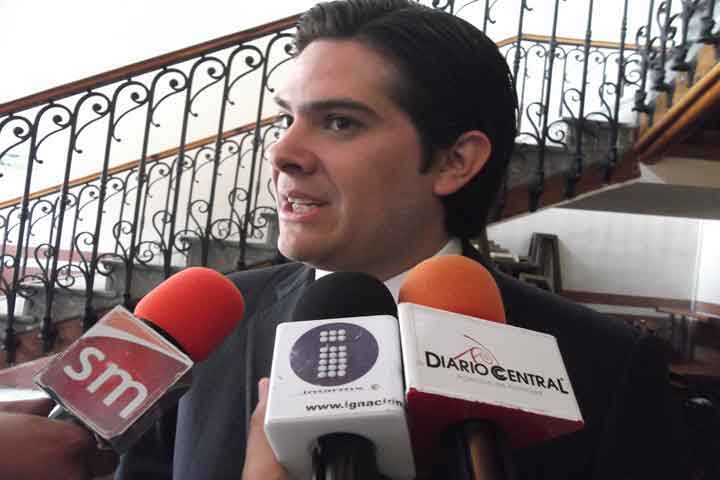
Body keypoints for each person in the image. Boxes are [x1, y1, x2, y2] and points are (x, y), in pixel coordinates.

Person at [3, 1, 688, 479]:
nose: (283, 153)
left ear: (455, 161)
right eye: (287, 118)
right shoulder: (201, 329)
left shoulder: (605, 365)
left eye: (339, 123)